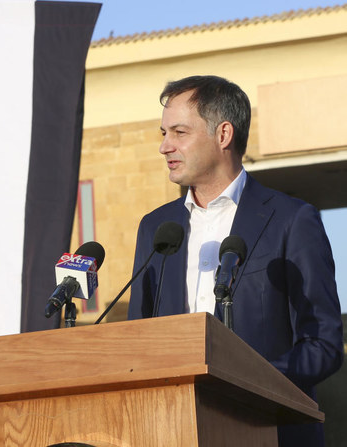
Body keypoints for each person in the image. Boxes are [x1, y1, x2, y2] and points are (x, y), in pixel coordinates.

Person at [127, 75, 343, 446]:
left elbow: (323, 344)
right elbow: (136, 343)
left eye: (179, 132)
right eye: (163, 133)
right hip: (173, 431)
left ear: (223, 135)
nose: (165, 146)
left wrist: (245, 382)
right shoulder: (156, 228)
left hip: (271, 431)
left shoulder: (292, 220)